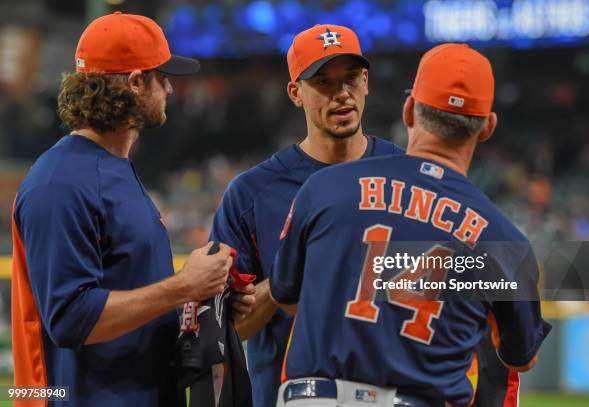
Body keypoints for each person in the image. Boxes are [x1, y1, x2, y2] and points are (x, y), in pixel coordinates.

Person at [269, 43, 551, 407]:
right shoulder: (502, 241)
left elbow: (284, 293)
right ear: (487, 127)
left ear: (408, 110)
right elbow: (521, 358)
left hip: (313, 399)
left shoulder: (327, 187)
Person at [11, 12, 254, 407]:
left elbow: (131, 293)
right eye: (162, 77)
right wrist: (183, 286)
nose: (171, 89)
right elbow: (70, 319)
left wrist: (197, 302)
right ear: (136, 82)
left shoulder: (112, 168)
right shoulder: (61, 181)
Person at [209, 24, 404, 407]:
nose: (341, 94)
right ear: (296, 93)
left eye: (350, 78)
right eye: (323, 82)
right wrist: (290, 276)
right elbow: (229, 329)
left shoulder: (407, 175)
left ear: (366, 81)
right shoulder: (252, 194)